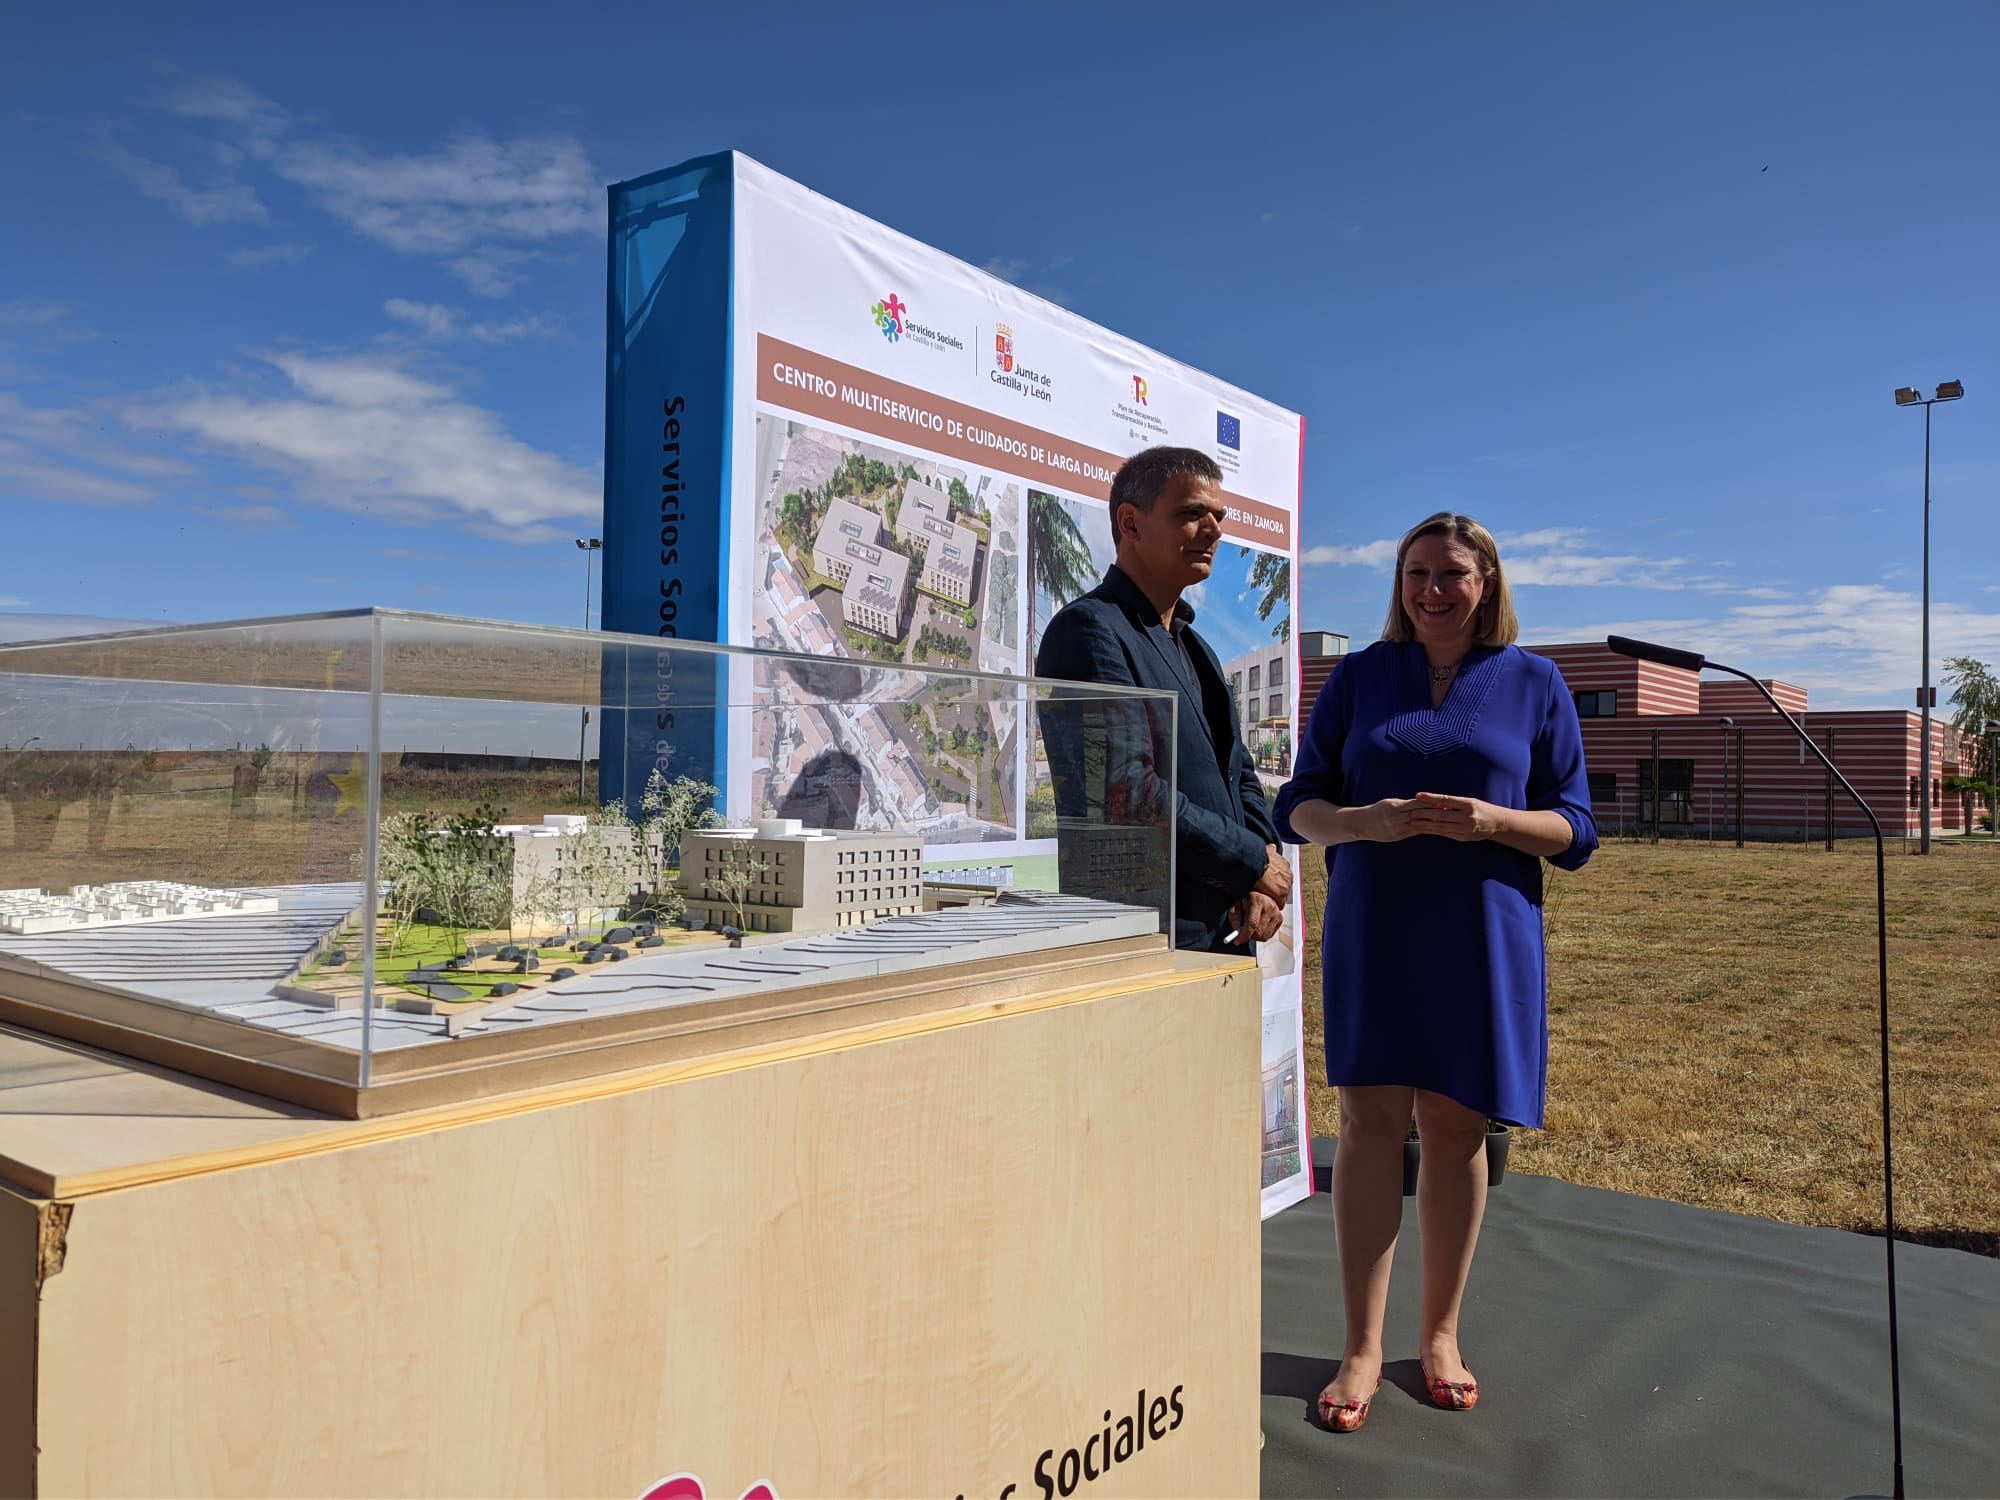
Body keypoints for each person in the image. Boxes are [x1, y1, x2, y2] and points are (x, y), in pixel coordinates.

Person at [1272, 511, 1596, 1432]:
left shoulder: (1536, 681)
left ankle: (1441, 1335)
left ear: (1486, 582)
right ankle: (1362, 1346)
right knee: (1371, 1123)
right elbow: (1300, 803)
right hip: (1377, 922)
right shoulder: (1360, 676)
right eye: (1416, 573)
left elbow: (1577, 827)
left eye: (1452, 573)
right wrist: (1359, 822)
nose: (1431, 591)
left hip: (1483, 928)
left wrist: (1494, 823)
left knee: (1455, 1128)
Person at [1035, 446, 1292, 952]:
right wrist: (1249, 863)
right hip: (1144, 937)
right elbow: (1125, 792)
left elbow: (1237, 770)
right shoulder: (1090, 631)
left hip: (1227, 928)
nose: (1214, 529)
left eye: (1217, 516)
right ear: (1130, 523)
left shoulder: (1198, 649)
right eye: (1191, 514)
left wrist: (1258, 872)